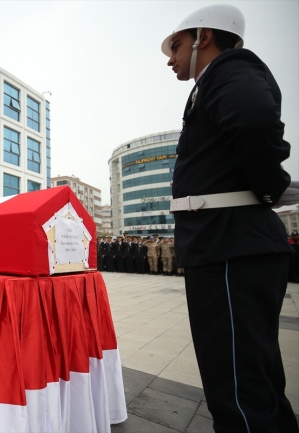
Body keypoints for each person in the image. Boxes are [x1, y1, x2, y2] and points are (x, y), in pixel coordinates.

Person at [163, 4, 298, 432]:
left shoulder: (230, 70)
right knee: (251, 378)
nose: (171, 57)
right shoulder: (215, 81)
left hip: (228, 243)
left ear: (204, 36)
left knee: (237, 389)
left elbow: (255, 122)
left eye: (178, 45)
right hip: (225, 243)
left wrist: (270, 187)